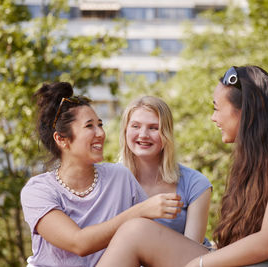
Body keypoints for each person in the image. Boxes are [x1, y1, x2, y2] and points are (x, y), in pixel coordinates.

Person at [96, 65, 268, 267]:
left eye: (217, 108)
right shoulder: (255, 158)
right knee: (134, 231)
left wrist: (200, 263)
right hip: (257, 260)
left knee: (136, 231)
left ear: (244, 111)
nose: (213, 118)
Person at [20, 82, 183, 267]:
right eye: (89, 126)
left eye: (100, 124)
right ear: (61, 139)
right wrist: (141, 210)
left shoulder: (120, 176)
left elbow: (149, 239)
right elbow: (78, 243)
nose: (101, 133)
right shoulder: (38, 191)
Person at [120, 96, 212, 244]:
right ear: (125, 131)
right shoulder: (109, 179)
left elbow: (191, 253)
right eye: (135, 126)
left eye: (153, 128)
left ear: (166, 133)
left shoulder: (196, 184)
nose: (143, 135)